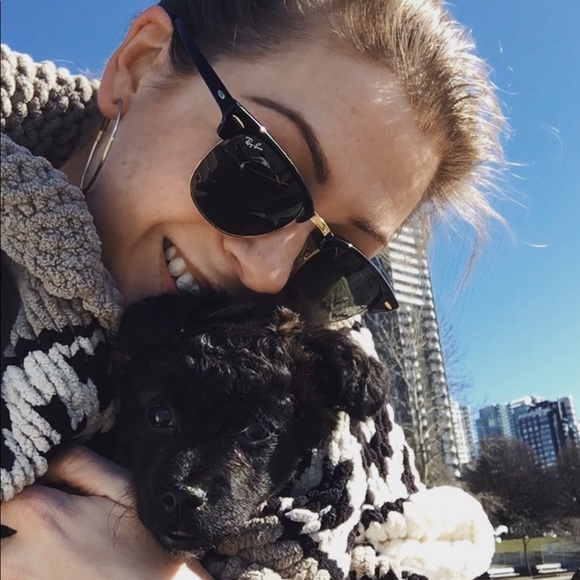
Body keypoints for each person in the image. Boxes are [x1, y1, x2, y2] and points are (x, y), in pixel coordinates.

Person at [0, 0, 504, 578]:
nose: (270, 274)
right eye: (264, 170)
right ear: (137, 68)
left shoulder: (346, 426)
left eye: (337, 253)